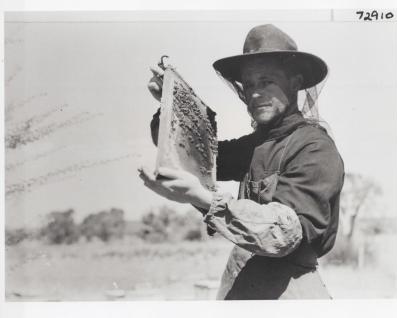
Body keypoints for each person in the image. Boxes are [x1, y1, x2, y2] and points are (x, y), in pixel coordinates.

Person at [139, 24, 345, 299]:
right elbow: (198, 157)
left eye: (266, 82)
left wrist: (204, 199)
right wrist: (169, 103)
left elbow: (283, 234)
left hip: (288, 292)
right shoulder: (255, 145)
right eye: (248, 85)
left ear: (294, 83)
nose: (255, 93)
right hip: (244, 279)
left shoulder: (314, 147)